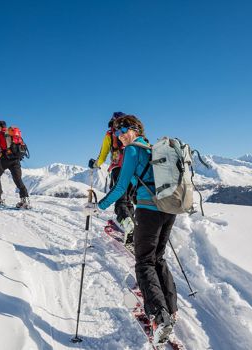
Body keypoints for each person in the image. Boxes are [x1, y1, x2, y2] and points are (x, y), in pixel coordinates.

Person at [96, 115, 177, 343]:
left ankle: (160, 319)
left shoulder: (131, 150)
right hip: (168, 209)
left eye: (123, 129)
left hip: (149, 210)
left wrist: (98, 205)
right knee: (158, 258)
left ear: (135, 129)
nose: (119, 135)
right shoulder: (152, 149)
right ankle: (171, 310)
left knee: (144, 262)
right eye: (117, 131)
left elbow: (121, 185)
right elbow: (137, 181)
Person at [88, 112, 135, 243]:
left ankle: (130, 230)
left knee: (120, 202)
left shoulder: (110, 134)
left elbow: (102, 156)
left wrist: (95, 164)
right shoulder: (131, 132)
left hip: (118, 169)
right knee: (128, 201)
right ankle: (131, 227)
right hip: (133, 171)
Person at [0, 120, 30, 209]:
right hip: (16, 159)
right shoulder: (12, 133)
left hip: (4, 159)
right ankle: (24, 200)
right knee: (18, 179)